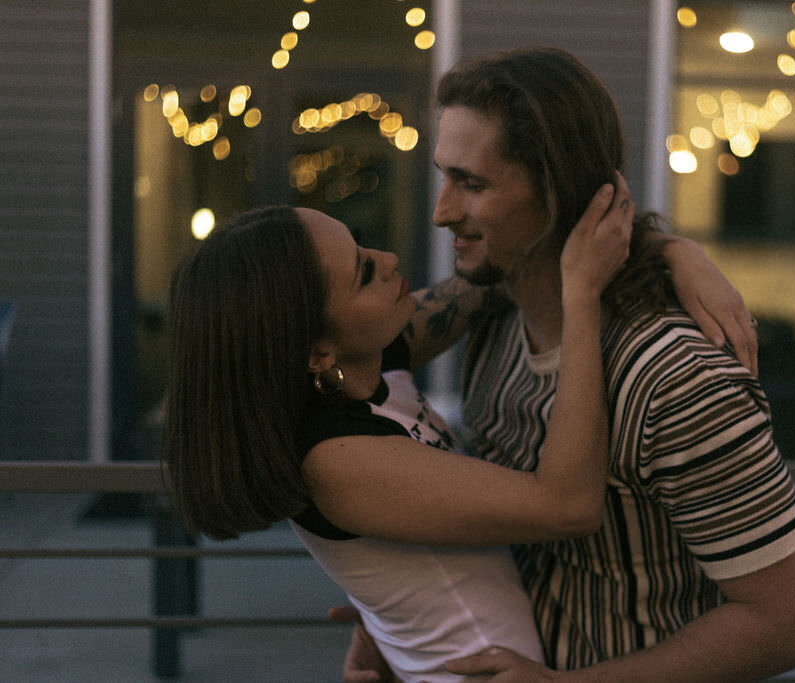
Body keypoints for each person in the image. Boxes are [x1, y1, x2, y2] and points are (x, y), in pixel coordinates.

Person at [346, 47, 795, 682]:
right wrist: (401, 618)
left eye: (472, 183)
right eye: (445, 176)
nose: (441, 211)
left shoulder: (678, 378)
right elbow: (356, 343)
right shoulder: (494, 313)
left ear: (558, 188)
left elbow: (793, 622)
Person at [164, 194, 634, 681]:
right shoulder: (335, 459)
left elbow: (502, 270)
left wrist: (678, 255)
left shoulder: (371, 359)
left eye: (362, 245)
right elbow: (570, 506)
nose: (388, 261)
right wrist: (583, 298)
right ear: (318, 353)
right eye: (363, 273)